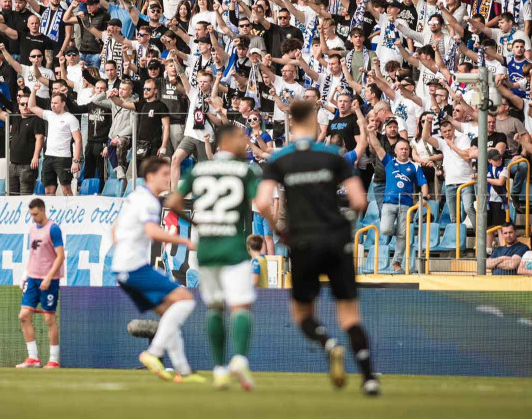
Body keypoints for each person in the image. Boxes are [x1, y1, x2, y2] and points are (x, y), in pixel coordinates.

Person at [255, 100, 379, 396]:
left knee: (302, 313)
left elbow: (261, 203)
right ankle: (369, 378)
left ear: (291, 121)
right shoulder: (333, 154)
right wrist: (343, 224)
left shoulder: (279, 158)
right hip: (336, 240)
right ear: (314, 120)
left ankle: (327, 343)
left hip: (302, 241)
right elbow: (359, 200)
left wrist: (281, 230)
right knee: (349, 315)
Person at [168, 124, 259, 391]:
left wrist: (197, 226)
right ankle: (240, 359)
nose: (246, 142)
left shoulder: (199, 169)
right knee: (240, 306)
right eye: (242, 138)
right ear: (228, 140)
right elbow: (262, 202)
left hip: (207, 249)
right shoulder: (245, 170)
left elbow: (172, 202)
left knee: (215, 308)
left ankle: (219, 369)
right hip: (234, 246)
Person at [111, 156, 203, 383]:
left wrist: (124, 250)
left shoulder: (136, 197)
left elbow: (114, 230)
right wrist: (186, 242)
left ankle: (184, 370)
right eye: (164, 174)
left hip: (123, 267)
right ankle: (153, 353)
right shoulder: (148, 201)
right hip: (134, 267)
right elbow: (152, 232)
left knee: (169, 314)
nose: (168, 178)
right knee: (186, 300)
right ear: (150, 176)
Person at [366, 125, 428, 273]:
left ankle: (397, 262)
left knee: (402, 235)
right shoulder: (389, 162)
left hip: (406, 206)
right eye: (401, 149)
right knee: (386, 229)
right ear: (395, 151)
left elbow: (423, 183)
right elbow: (376, 145)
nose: (404, 151)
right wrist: (369, 132)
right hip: (389, 203)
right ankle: (401, 233)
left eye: (406, 149)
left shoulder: (415, 166)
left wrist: (424, 198)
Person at [16, 198, 66, 369]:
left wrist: (49, 277)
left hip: (49, 280)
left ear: (43, 211)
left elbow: (60, 256)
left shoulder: (53, 229)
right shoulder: (32, 229)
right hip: (32, 278)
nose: (33, 217)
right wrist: (25, 274)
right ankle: (33, 358)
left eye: (36, 214)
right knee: (23, 315)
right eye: (31, 214)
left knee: (49, 318)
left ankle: (53, 360)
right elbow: (33, 254)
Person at [26, 89, 81, 196]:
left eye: (55, 103)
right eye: (52, 103)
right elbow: (31, 107)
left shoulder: (70, 118)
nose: (53, 105)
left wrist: (75, 161)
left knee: (66, 189)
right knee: (48, 191)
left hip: (63, 157)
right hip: (48, 156)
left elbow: (78, 140)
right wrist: (33, 90)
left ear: (63, 103)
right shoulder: (49, 115)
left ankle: (72, 210)